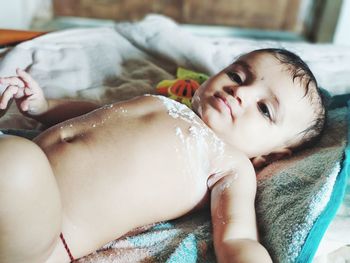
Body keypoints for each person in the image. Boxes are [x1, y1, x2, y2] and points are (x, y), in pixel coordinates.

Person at [0, 48, 326, 263]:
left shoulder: (231, 164)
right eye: (238, 76)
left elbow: (237, 237)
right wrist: (45, 108)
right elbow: (98, 112)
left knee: (14, 163)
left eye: (265, 109)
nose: (240, 92)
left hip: (44, 233)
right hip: (22, 194)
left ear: (271, 155)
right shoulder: (165, 103)